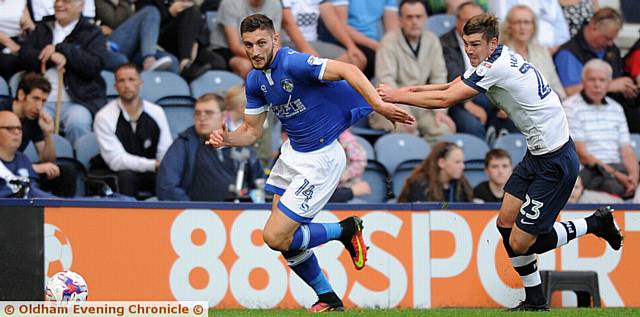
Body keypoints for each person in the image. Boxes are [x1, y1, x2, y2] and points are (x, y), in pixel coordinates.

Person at [377, 13, 623, 310]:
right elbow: (447, 87)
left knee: (522, 242)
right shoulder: (499, 57)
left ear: (493, 43)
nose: (469, 50)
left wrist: (396, 96)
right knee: (505, 223)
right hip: (538, 154)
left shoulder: (497, 67)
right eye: (466, 44)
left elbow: (446, 100)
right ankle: (534, 300)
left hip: (556, 161)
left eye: (476, 44)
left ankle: (596, 222)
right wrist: (400, 93)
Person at [206, 14, 414, 312]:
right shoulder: (254, 80)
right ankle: (329, 298)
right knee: (285, 240)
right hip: (293, 154)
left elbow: (349, 68)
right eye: (249, 44)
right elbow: (251, 132)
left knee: (275, 236)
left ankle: (343, 231)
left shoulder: (293, 63)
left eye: (262, 43)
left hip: (322, 157)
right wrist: (226, 139)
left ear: (275, 40)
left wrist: (379, 105)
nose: (255, 51)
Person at [18, 0, 107, 146]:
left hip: (78, 101)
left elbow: (93, 65)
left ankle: (76, 166)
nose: (59, 4)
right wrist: (51, 57)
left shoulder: (92, 32)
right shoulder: (42, 28)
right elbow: (24, 55)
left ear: (81, 6)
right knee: (33, 120)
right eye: (57, 0)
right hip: (41, 101)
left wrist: (61, 49)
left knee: (78, 121)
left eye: (66, 1)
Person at [370, 0, 454, 142]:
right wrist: (403, 112)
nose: (414, 21)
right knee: (408, 131)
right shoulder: (388, 41)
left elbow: (439, 77)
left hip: (421, 105)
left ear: (426, 18)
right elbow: (386, 81)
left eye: (418, 17)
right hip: (391, 105)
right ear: (400, 20)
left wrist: (439, 110)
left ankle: (431, 164)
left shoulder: (432, 40)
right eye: (409, 17)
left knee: (444, 130)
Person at [156, 93, 264, 201]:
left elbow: (260, 183)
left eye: (209, 113)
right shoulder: (184, 143)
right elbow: (167, 186)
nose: (202, 118)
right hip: (196, 215)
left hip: (239, 213)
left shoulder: (240, 143)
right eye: (197, 113)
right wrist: (190, 210)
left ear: (223, 116)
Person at [92, 63, 172, 198]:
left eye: (131, 80)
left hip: (150, 171)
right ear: (115, 86)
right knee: (126, 175)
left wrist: (162, 166)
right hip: (118, 173)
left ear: (140, 83)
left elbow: (165, 151)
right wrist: (153, 164)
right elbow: (117, 161)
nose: (127, 85)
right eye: (121, 81)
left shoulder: (156, 112)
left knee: (171, 176)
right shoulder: (104, 116)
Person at [564, 59, 638, 199]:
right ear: (583, 81)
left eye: (602, 80)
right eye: (592, 80)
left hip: (617, 169)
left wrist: (633, 178)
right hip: (590, 170)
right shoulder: (570, 107)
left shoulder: (616, 108)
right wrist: (619, 177)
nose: (597, 85)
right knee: (615, 188)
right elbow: (583, 154)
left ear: (609, 83)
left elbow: (627, 149)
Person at [0, 73, 78, 197]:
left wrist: (47, 134)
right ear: (21, 95)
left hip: (21, 168)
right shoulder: (2, 111)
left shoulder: (34, 118)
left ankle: (62, 212)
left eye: (43, 101)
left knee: (66, 171)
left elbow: (47, 161)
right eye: (35, 99)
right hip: (5, 173)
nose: (39, 107)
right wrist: (33, 168)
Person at [554, 7, 638, 99]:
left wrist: (626, 86)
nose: (610, 43)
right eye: (607, 38)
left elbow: (618, 77)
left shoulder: (611, 49)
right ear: (594, 28)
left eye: (613, 39)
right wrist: (610, 86)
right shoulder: (568, 53)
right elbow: (570, 92)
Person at [501, 5, 566, 99]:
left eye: (527, 22)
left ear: (533, 26)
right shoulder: (501, 53)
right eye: (517, 22)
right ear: (509, 26)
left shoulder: (542, 52)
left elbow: (556, 87)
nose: (522, 27)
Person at [280, 0, 366, 70]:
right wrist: (306, 50)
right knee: (313, 67)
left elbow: (332, 22)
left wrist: (351, 46)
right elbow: (287, 23)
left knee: (356, 60)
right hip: (288, 43)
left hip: (314, 43)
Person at [95, 0, 177, 72]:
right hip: (112, 45)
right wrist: (126, 1)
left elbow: (151, 25)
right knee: (151, 11)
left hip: (139, 48)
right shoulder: (102, 1)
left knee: (172, 61)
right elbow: (115, 22)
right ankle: (149, 59)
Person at [209, 0, 283, 78]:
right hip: (226, 50)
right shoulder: (230, 3)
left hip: (260, 50)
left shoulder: (275, 4)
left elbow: (276, 44)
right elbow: (235, 47)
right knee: (246, 66)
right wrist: (264, 59)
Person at [0, 111, 54, 198]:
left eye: (19, 128)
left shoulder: (23, 159)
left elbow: (33, 191)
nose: (17, 132)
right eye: (9, 128)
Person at [398, 141, 473, 202]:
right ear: (442, 163)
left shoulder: (462, 184)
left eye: (463, 162)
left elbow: (447, 206)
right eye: (457, 162)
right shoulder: (421, 185)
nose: (463, 166)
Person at [490, 0, 570, 51]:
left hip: (553, 50)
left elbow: (563, 32)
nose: (523, 26)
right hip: (518, 47)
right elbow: (505, 27)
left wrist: (548, 53)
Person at [0, 0, 35, 81]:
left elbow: (29, 24)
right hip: (3, 41)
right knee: (8, 62)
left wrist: (28, 26)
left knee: (32, 58)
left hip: (21, 39)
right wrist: (14, 47)